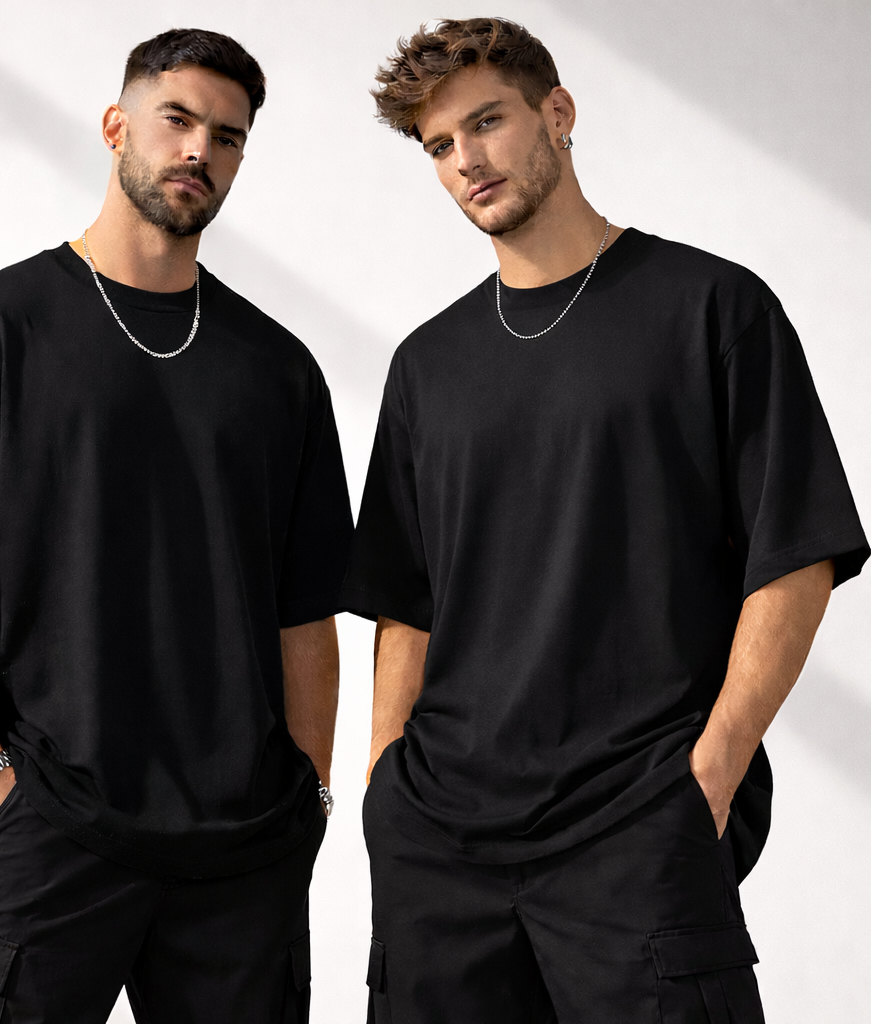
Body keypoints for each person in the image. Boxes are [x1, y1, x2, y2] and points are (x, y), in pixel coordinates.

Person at [342, 17, 868, 1024]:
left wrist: (713, 767)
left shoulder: (712, 308)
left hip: (639, 820)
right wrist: (382, 784)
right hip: (441, 850)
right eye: (439, 145)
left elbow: (795, 556)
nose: (466, 161)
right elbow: (405, 600)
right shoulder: (426, 366)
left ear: (557, 112)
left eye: (486, 122)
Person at [0, 28, 352, 1024]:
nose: (199, 149)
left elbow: (305, 610)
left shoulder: (278, 370)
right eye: (177, 119)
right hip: (42, 817)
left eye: (227, 136)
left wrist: (310, 799)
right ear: (117, 125)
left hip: (240, 844)